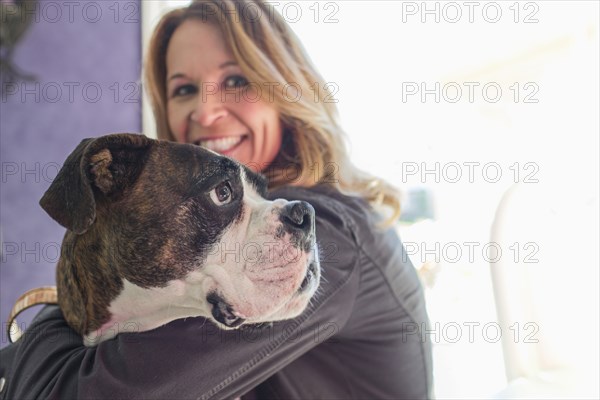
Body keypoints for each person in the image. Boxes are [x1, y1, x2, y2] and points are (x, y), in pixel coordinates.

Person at [0, 1, 433, 399]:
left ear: (286, 87)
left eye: (235, 80)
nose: (205, 113)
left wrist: (45, 329)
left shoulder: (329, 232)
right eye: (184, 89)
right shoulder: (223, 245)